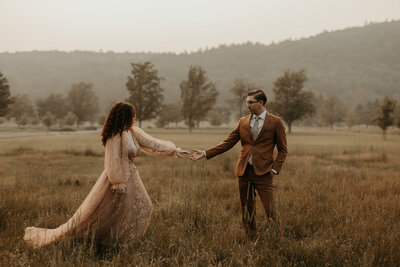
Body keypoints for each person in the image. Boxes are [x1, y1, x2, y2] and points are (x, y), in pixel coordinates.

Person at [24, 101, 188, 248]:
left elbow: (152, 143)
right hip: (117, 179)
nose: (133, 119)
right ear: (123, 116)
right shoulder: (114, 135)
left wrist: (174, 150)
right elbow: (112, 160)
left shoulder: (132, 132)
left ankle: (122, 240)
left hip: (131, 175)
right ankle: (105, 240)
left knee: (141, 206)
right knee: (103, 213)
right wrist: (117, 182)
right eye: (131, 115)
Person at [189, 89, 287, 241]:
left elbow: (283, 150)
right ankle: (252, 241)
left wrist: (274, 169)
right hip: (244, 172)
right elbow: (228, 142)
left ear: (260, 103)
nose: (247, 105)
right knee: (247, 210)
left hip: (264, 173)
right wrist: (205, 153)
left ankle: (277, 242)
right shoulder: (242, 122)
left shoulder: (276, 122)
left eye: (250, 102)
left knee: (271, 211)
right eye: (246, 102)